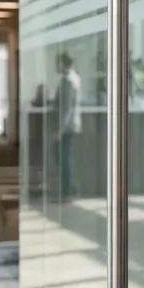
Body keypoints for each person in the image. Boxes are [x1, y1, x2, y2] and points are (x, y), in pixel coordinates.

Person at [53, 52, 81, 199]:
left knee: (63, 159)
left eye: (58, 63)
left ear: (64, 63)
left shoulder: (68, 81)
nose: (56, 66)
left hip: (67, 126)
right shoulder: (73, 78)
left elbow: (67, 107)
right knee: (64, 158)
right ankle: (69, 189)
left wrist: (60, 129)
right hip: (70, 125)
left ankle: (67, 191)